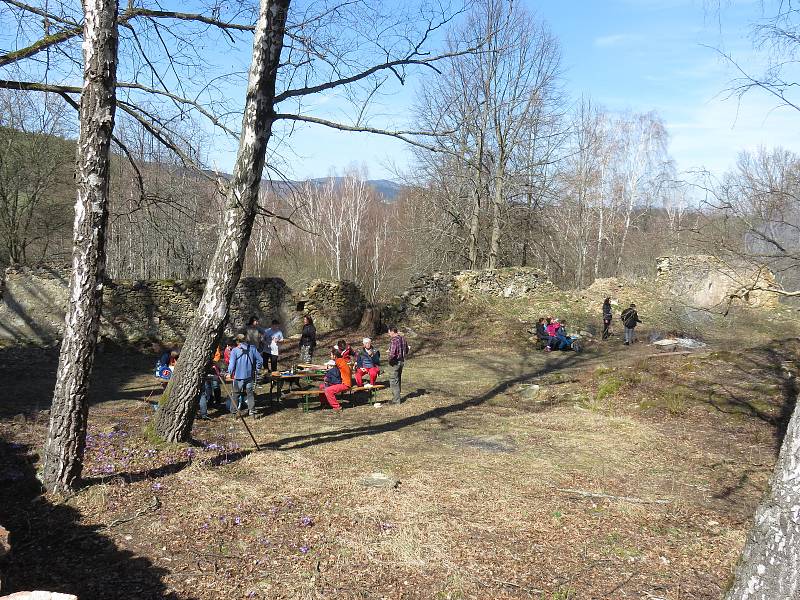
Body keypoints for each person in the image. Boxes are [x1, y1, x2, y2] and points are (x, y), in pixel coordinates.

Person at [226, 329, 263, 417]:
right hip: (249, 376)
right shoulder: (252, 348)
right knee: (250, 394)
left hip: (238, 377)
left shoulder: (234, 351)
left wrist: (229, 373)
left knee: (235, 394)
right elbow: (260, 360)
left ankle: (234, 413)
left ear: (237, 341)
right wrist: (257, 369)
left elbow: (231, 365)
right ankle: (252, 411)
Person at [387, 325, 410, 404]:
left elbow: (392, 353)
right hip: (402, 361)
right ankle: (397, 397)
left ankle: (396, 400)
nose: (388, 333)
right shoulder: (403, 338)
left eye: (389, 332)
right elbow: (407, 349)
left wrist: (389, 359)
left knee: (393, 380)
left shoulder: (394, 340)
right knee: (398, 379)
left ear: (392, 331)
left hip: (395, 362)